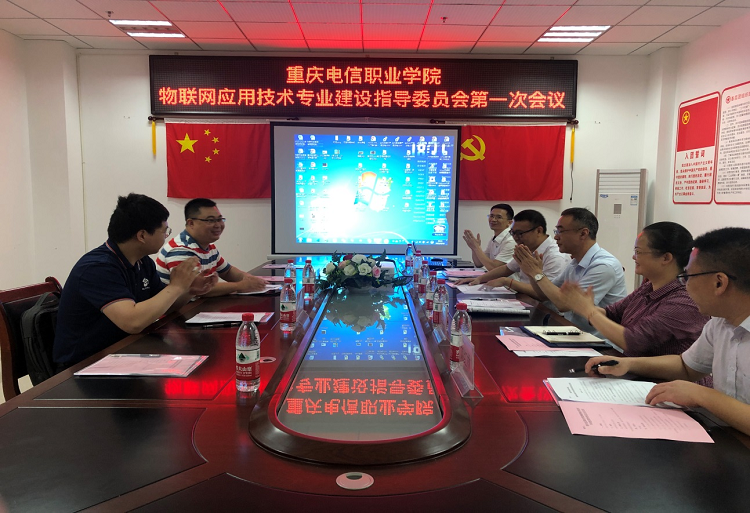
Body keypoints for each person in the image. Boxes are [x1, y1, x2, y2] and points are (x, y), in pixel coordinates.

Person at [586, 227, 750, 436]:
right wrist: (628, 364)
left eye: (688, 276)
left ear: (719, 283)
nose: (685, 285)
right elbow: (686, 366)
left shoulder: (688, 305)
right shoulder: (719, 324)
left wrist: (702, 395)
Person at [53, 193, 216, 369]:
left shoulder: (143, 262)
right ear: (142, 236)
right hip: (84, 364)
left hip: (124, 350)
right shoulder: (97, 268)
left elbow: (164, 306)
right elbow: (132, 323)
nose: (166, 236)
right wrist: (176, 286)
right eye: (164, 231)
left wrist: (188, 290)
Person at [560, 222, 709, 356]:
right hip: (633, 370)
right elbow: (612, 313)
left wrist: (589, 311)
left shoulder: (684, 301)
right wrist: (582, 305)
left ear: (666, 258)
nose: (633, 257)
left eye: (638, 252)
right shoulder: (648, 286)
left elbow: (633, 341)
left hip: (659, 378)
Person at [513, 207, 627, 331]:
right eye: (556, 231)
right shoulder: (576, 261)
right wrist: (531, 273)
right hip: (573, 331)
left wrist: (537, 273)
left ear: (583, 233)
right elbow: (543, 295)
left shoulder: (603, 266)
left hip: (595, 340)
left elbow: (564, 304)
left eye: (560, 231)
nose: (556, 237)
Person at [156, 198, 267, 295]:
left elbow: (227, 271)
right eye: (210, 220)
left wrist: (249, 279)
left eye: (220, 219)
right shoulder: (180, 250)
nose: (218, 225)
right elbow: (198, 290)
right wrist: (241, 285)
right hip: (180, 310)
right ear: (191, 223)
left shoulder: (209, 246)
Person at [456, 210, 569, 296]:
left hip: (547, 311)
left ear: (539, 231)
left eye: (519, 233)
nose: (515, 238)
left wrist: (508, 282)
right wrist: (480, 279)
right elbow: (507, 268)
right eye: (513, 233)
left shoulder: (555, 256)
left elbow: (545, 293)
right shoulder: (527, 248)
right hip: (526, 300)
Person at [462, 203, 516, 270]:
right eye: (491, 216)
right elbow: (479, 263)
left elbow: (493, 268)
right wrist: (474, 248)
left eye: (499, 217)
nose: (493, 220)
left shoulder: (511, 241)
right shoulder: (494, 237)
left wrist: (477, 247)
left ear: (509, 222)